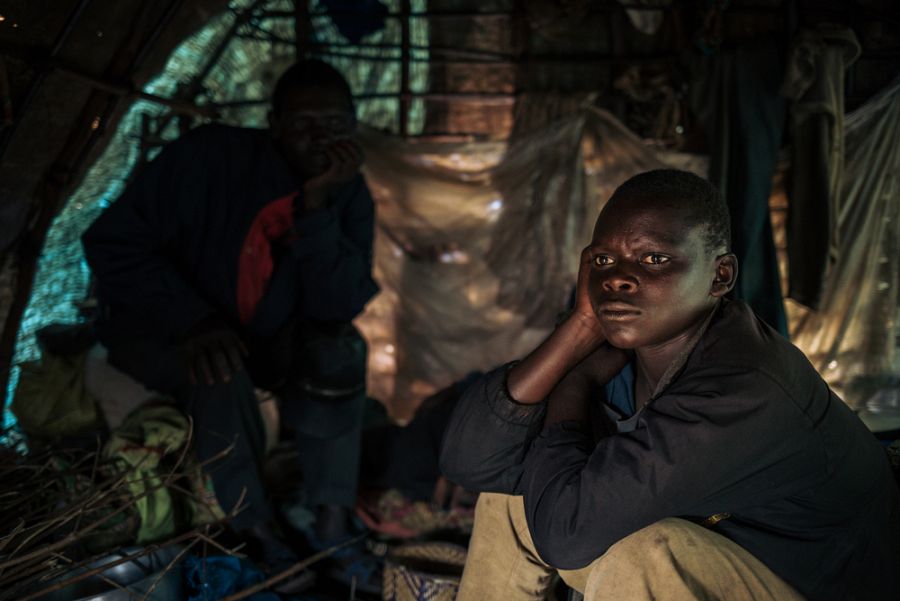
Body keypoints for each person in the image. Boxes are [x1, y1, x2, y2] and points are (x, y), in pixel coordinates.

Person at [439, 170, 899, 601]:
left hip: (808, 587)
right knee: (514, 501)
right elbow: (470, 463)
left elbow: (567, 537)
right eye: (603, 259)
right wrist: (579, 328)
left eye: (654, 259)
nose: (617, 277)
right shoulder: (625, 353)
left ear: (720, 277)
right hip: (716, 563)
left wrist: (572, 383)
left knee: (646, 550)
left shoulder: (743, 387)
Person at [82, 60, 378, 588]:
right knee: (219, 365)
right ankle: (255, 526)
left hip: (263, 335)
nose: (319, 139)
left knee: (340, 349)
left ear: (353, 128)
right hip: (160, 329)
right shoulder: (208, 159)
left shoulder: (346, 190)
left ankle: (331, 518)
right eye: (302, 123)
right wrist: (192, 319)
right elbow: (111, 242)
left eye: (334, 125)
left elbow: (338, 305)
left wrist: (317, 206)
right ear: (273, 124)